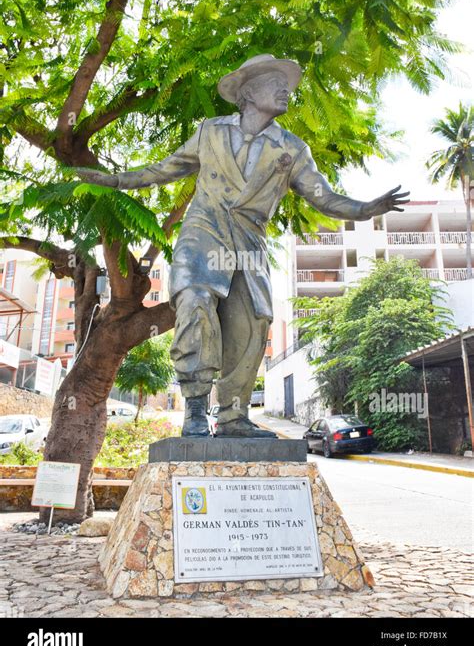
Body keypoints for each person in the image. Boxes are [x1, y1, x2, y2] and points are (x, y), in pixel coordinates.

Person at [78, 54, 409, 438]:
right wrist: (113, 181)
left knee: (252, 323)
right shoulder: (210, 132)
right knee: (196, 300)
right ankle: (197, 409)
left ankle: (234, 417)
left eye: (287, 84)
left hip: (250, 241)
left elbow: (324, 196)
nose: (286, 90)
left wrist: (367, 208)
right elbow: (162, 170)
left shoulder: (292, 148)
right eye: (276, 83)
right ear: (249, 92)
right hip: (204, 231)